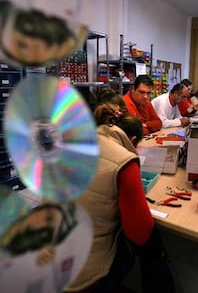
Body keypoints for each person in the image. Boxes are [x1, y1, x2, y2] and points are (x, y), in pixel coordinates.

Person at [66, 104, 175, 292]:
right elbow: (139, 233)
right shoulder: (124, 160)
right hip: (82, 271)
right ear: (132, 140)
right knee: (151, 240)